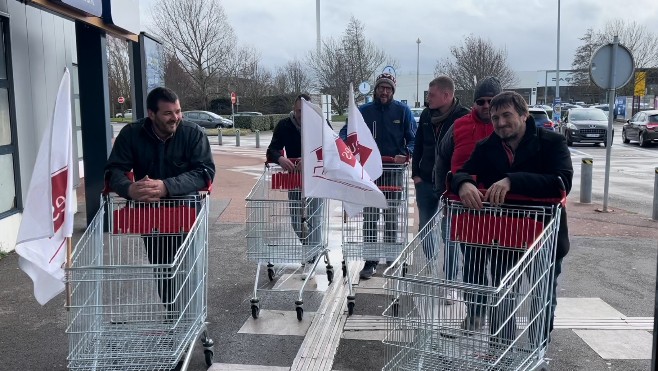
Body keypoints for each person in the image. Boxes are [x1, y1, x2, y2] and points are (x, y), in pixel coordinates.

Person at [451, 91, 572, 348]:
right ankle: (499, 350)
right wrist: (463, 185)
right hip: (507, 236)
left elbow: (561, 182)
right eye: (495, 118)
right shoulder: (487, 147)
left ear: (524, 115)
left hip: (544, 236)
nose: (500, 123)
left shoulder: (551, 143)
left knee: (542, 296)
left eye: (507, 115)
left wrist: (511, 180)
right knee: (503, 294)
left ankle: (538, 350)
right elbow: (463, 172)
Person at [105, 87, 216, 314]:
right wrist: (129, 189)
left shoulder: (192, 133)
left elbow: (205, 171)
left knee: (186, 266)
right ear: (151, 114)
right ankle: (173, 313)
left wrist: (166, 187)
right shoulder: (132, 134)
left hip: (186, 212)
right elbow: (114, 171)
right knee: (163, 267)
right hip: (151, 214)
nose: (175, 117)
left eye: (178, 111)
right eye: (167, 113)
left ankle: (189, 315)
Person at [434, 76, 502, 320]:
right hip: (466, 210)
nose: (485, 106)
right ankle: (475, 314)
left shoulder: (506, 126)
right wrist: (443, 193)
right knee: (472, 266)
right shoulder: (460, 125)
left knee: (500, 268)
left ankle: (500, 322)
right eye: (480, 101)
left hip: (504, 212)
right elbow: (442, 158)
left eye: (490, 101)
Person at [339, 73, 416, 279]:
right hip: (369, 173)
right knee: (371, 218)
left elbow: (413, 139)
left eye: (388, 89)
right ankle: (370, 260)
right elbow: (347, 132)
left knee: (391, 216)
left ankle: (391, 258)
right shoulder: (363, 111)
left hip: (393, 172)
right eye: (381, 87)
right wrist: (345, 146)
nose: (384, 91)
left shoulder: (403, 111)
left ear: (393, 91)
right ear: (376, 89)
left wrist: (407, 153)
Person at [411, 75, 468, 298]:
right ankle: (433, 265)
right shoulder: (426, 115)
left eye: (431, 95)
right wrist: (416, 173)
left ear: (447, 95)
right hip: (425, 181)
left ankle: (450, 281)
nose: (428, 99)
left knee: (450, 234)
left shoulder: (462, 117)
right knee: (425, 228)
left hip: (450, 184)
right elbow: (418, 146)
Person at [267, 94, 325, 265]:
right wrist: (280, 159)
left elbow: (330, 148)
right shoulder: (284, 125)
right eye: (299, 111)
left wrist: (309, 160)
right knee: (295, 218)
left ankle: (312, 253)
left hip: (316, 177)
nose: (302, 115)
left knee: (314, 217)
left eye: (305, 111)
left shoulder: (320, 124)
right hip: (295, 177)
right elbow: (273, 148)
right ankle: (309, 246)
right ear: (294, 109)